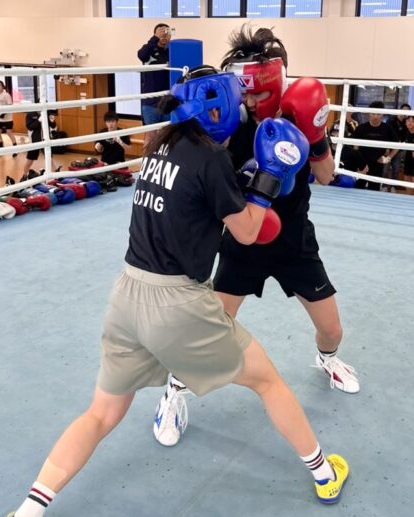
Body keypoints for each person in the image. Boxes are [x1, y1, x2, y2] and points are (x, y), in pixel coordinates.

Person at [1, 67, 349, 517]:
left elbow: (198, 204)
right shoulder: (212, 159)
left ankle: (26, 514)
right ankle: (325, 474)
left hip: (126, 297)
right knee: (268, 382)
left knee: (100, 414)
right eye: (238, 103)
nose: (244, 109)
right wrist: (269, 176)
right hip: (177, 306)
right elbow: (249, 231)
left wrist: (250, 184)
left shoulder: (159, 146)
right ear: (219, 108)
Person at [152, 26, 360, 449]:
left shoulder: (297, 116)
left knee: (333, 330)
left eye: (258, 94)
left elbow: (326, 175)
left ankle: (328, 360)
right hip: (242, 243)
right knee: (209, 331)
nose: (249, 102)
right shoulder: (225, 125)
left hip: (295, 244)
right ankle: (173, 392)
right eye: (244, 94)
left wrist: (315, 134)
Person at [351, 101, 399, 191]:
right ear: (369, 114)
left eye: (378, 114)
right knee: (357, 190)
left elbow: (397, 145)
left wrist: (388, 158)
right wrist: (358, 164)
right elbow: (355, 148)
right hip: (362, 164)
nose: (375, 117)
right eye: (373, 114)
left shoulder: (387, 128)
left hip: (378, 165)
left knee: (374, 192)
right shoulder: (361, 128)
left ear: (382, 115)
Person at [137, 23, 171, 144]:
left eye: (166, 32)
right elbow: (141, 55)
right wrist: (155, 38)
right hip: (150, 103)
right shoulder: (148, 50)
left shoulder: (173, 52)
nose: (164, 35)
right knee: (151, 137)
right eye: (161, 32)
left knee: (167, 136)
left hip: (167, 102)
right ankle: (147, 157)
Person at [21, 109, 60, 179]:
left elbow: (53, 126)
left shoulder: (47, 113)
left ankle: (56, 176)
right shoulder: (31, 114)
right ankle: (24, 176)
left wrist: (52, 120)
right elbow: (30, 127)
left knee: (49, 158)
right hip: (34, 141)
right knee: (30, 160)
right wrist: (38, 120)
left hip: (45, 140)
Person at [383, 103, 411, 190]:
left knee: (396, 169)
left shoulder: (406, 123)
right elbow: (386, 134)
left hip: (399, 150)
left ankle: (393, 186)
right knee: (385, 168)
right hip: (389, 148)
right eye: (404, 111)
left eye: (407, 112)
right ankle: (384, 185)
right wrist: (386, 148)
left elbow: (406, 136)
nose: (405, 113)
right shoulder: (391, 120)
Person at [0, 80, 18, 154]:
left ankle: (15, 149)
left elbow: (10, 105)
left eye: (0, 85)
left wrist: (4, 113)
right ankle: (1, 149)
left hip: (8, 118)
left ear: (3, 86)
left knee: (9, 132)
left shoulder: (6, 95)